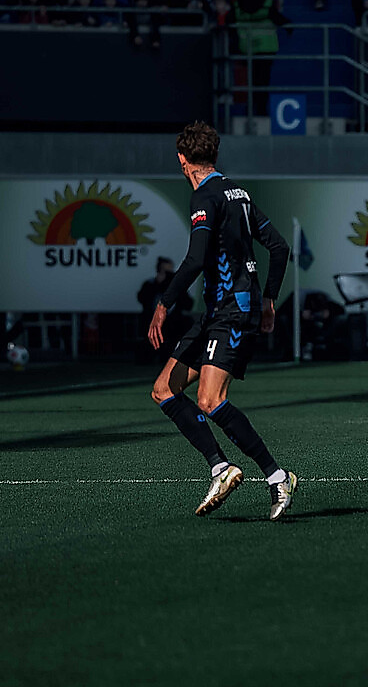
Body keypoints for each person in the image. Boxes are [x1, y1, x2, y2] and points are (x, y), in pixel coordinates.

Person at [147, 122, 299, 520]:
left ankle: (277, 477)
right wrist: (269, 300)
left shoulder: (205, 196)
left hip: (231, 312)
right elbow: (279, 247)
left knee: (210, 400)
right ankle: (220, 468)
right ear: (213, 155)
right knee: (164, 389)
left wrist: (164, 303)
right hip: (219, 312)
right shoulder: (239, 194)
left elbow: (195, 259)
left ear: (182, 160)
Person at [139, 257, 195, 363]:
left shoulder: (177, 288)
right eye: (166, 272)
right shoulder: (150, 285)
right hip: (153, 323)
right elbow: (143, 299)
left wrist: (176, 287)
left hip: (173, 325)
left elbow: (188, 304)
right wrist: (158, 284)